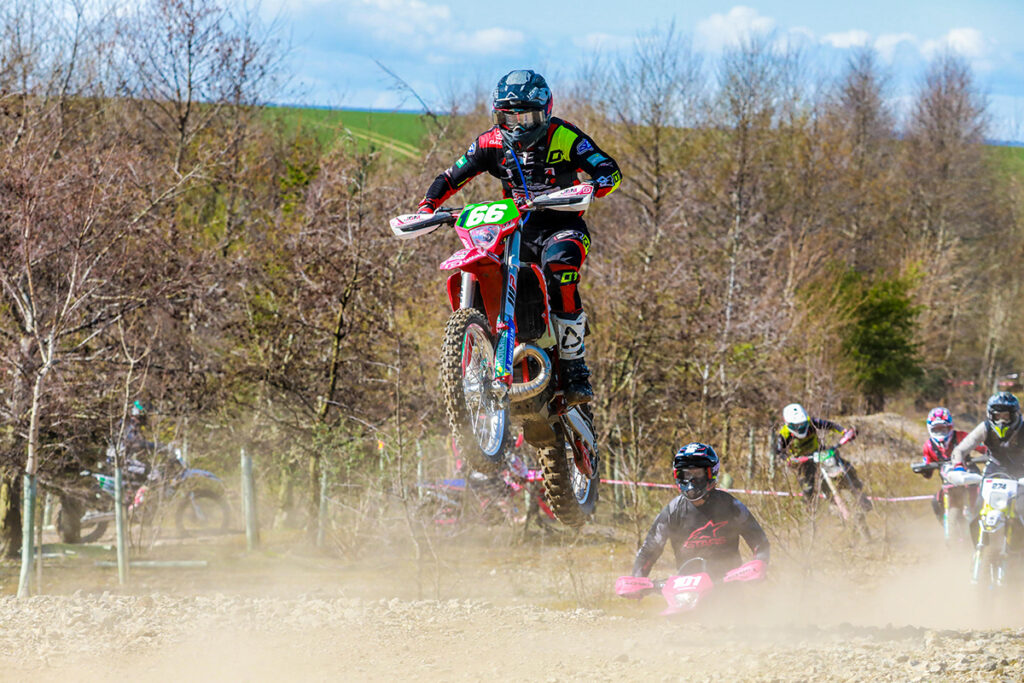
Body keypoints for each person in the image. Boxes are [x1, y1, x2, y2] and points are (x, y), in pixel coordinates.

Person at [417, 69, 622, 406]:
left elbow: (609, 169)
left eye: (526, 117)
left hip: (562, 225)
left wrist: (594, 186)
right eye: (508, 118)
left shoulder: (564, 136)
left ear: (545, 112)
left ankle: (575, 368)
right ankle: (481, 351)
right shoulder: (490, 142)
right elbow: (451, 176)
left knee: (560, 267)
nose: (517, 126)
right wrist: (428, 206)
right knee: (485, 262)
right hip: (516, 229)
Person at [631, 443, 769, 581]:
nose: (691, 480)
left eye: (698, 474)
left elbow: (759, 541)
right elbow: (649, 550)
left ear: (711, 473)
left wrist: (759, 565)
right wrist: (637, 581)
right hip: (686, 587)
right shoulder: (673, 511)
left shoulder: (731, 506)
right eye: (687, 474)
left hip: (728, 584)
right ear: (678, 475)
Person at [772, 403, 870, 510]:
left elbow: (830, 425)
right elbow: (779, 451)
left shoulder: (811, 422)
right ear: (788, 424)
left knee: (845, 466)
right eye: (796, 425)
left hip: (819, 452)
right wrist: (789, 459)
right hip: (803, 461)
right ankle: (812, 511)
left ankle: (858, 491)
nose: (800, 427)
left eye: (802, 424)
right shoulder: (784, 434)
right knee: (808, 488)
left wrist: (844, 432)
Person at [951, 392, 1024, 536]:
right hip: (994, 469)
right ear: (991, 416)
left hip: (1021, 471)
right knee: (979, 510)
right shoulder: (985, 427)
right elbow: (960, 450)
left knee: (1021, 508)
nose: (1002, 421)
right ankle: (978, 544)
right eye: (997, 416)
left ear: (1014, 415)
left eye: (1006, 416)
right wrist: (958, 467)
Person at [913, 406, 985, 524]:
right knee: (936, 501)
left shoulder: (962, 436)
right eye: (936, 429)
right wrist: (923, 469)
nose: (940, 432)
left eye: (943, 428)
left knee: (981, 494)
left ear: (950, 427)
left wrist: (990, 454)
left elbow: (982, 447)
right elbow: (928, 471)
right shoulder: (928, 446)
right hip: (948, 482)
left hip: (969, 476)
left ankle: (982, 519)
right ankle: (946, 526)